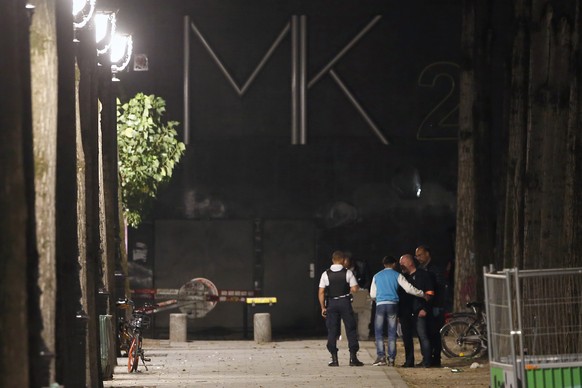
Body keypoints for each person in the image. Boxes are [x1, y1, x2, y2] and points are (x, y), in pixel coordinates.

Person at [369, 255, 426, 367]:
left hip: (380, 304)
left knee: (379, 332)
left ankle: (381, 357)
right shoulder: (397, 275)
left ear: (383, 264)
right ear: (394, 264)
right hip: (393, 304)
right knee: (391, 332)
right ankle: (391, 358)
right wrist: (422, 294)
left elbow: (372, 294)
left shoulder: (376, 276)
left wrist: (378, 300)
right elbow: (408, 288)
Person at [318, 250, 364, 367]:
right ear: (343, 260)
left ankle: (334, 359)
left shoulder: (325, 274)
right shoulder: (348, 273)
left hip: (332, 303)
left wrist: (323, 307)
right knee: (351, 329)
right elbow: (355, 289)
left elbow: (321, 292)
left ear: (332, 260)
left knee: (332, 330)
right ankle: (353, 358)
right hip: (345, 302)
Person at [398, 253, 435, 368]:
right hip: (406, 312)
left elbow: (430, 293)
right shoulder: (403, 279)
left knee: (422, 336)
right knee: (407, 338)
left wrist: (425, 308)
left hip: (419, 311)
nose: (401, 266)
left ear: (410, 263)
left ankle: (427, 361)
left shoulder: (423, 275)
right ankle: (409, 361)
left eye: (402, 263)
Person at [415, 245, 449, 367]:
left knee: (435, 333)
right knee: (427, 333)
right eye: (417, 256)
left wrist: (436, 304)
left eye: (420, 255)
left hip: (435, 305)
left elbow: (439, 287)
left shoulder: (435, 268)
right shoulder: (421, 268)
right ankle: (428, 358)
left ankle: (436, 359)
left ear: (427, 254)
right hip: (427, 305)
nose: (418, 258)